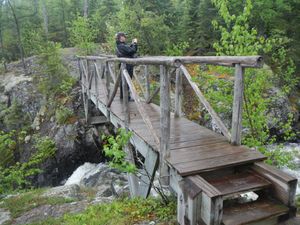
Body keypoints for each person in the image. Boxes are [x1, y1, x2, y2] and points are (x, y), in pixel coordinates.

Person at [115, 32, 138, 99]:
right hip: (126, 66)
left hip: (125, 65)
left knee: (124, 81)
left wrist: (132, 44)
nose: (125, 37)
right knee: (126, 81)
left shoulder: (120, 45)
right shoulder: (121, 46)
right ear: (121, 38)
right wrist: (135, 43)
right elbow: (132, 50)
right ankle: (126, 97)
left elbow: (129, 50)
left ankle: (124, 96)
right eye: (124, 36)